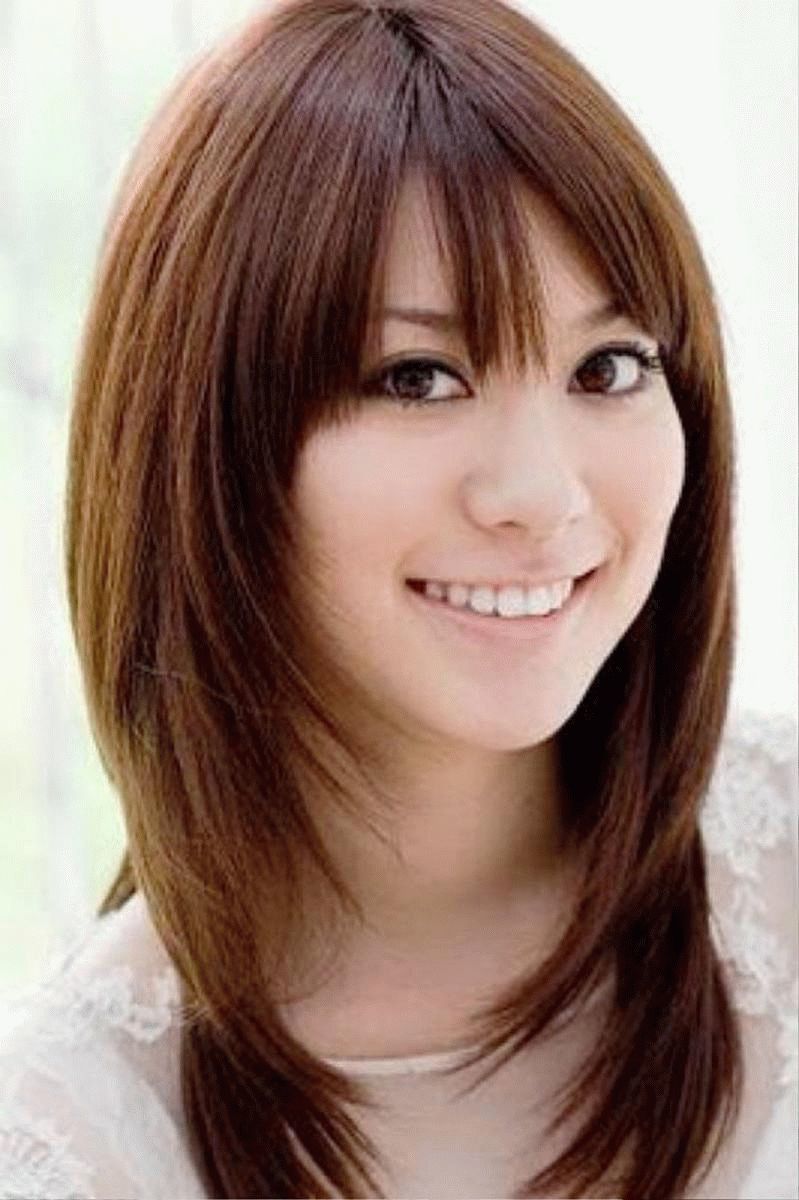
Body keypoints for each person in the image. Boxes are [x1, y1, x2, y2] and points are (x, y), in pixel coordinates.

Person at [1, 0, 796, 1197]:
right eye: (417, 377)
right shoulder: (72, 1137)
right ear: (205, 448)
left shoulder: (776, 865)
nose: (540, 494)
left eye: (607, 366)